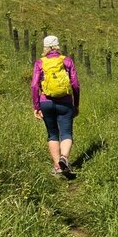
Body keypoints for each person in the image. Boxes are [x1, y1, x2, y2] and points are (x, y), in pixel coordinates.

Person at [31, 35, 80, 176]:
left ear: (45, 47)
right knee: (66, 133)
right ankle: (64, 158)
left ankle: (57, 167)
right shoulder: (67, 61)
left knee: (52, 134)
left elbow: (34, 85)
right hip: (65, 102)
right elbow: (75, 85)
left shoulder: (40, 63)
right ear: (58, 46)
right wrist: (75, 104)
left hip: (46, 102)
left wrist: (36, 106)